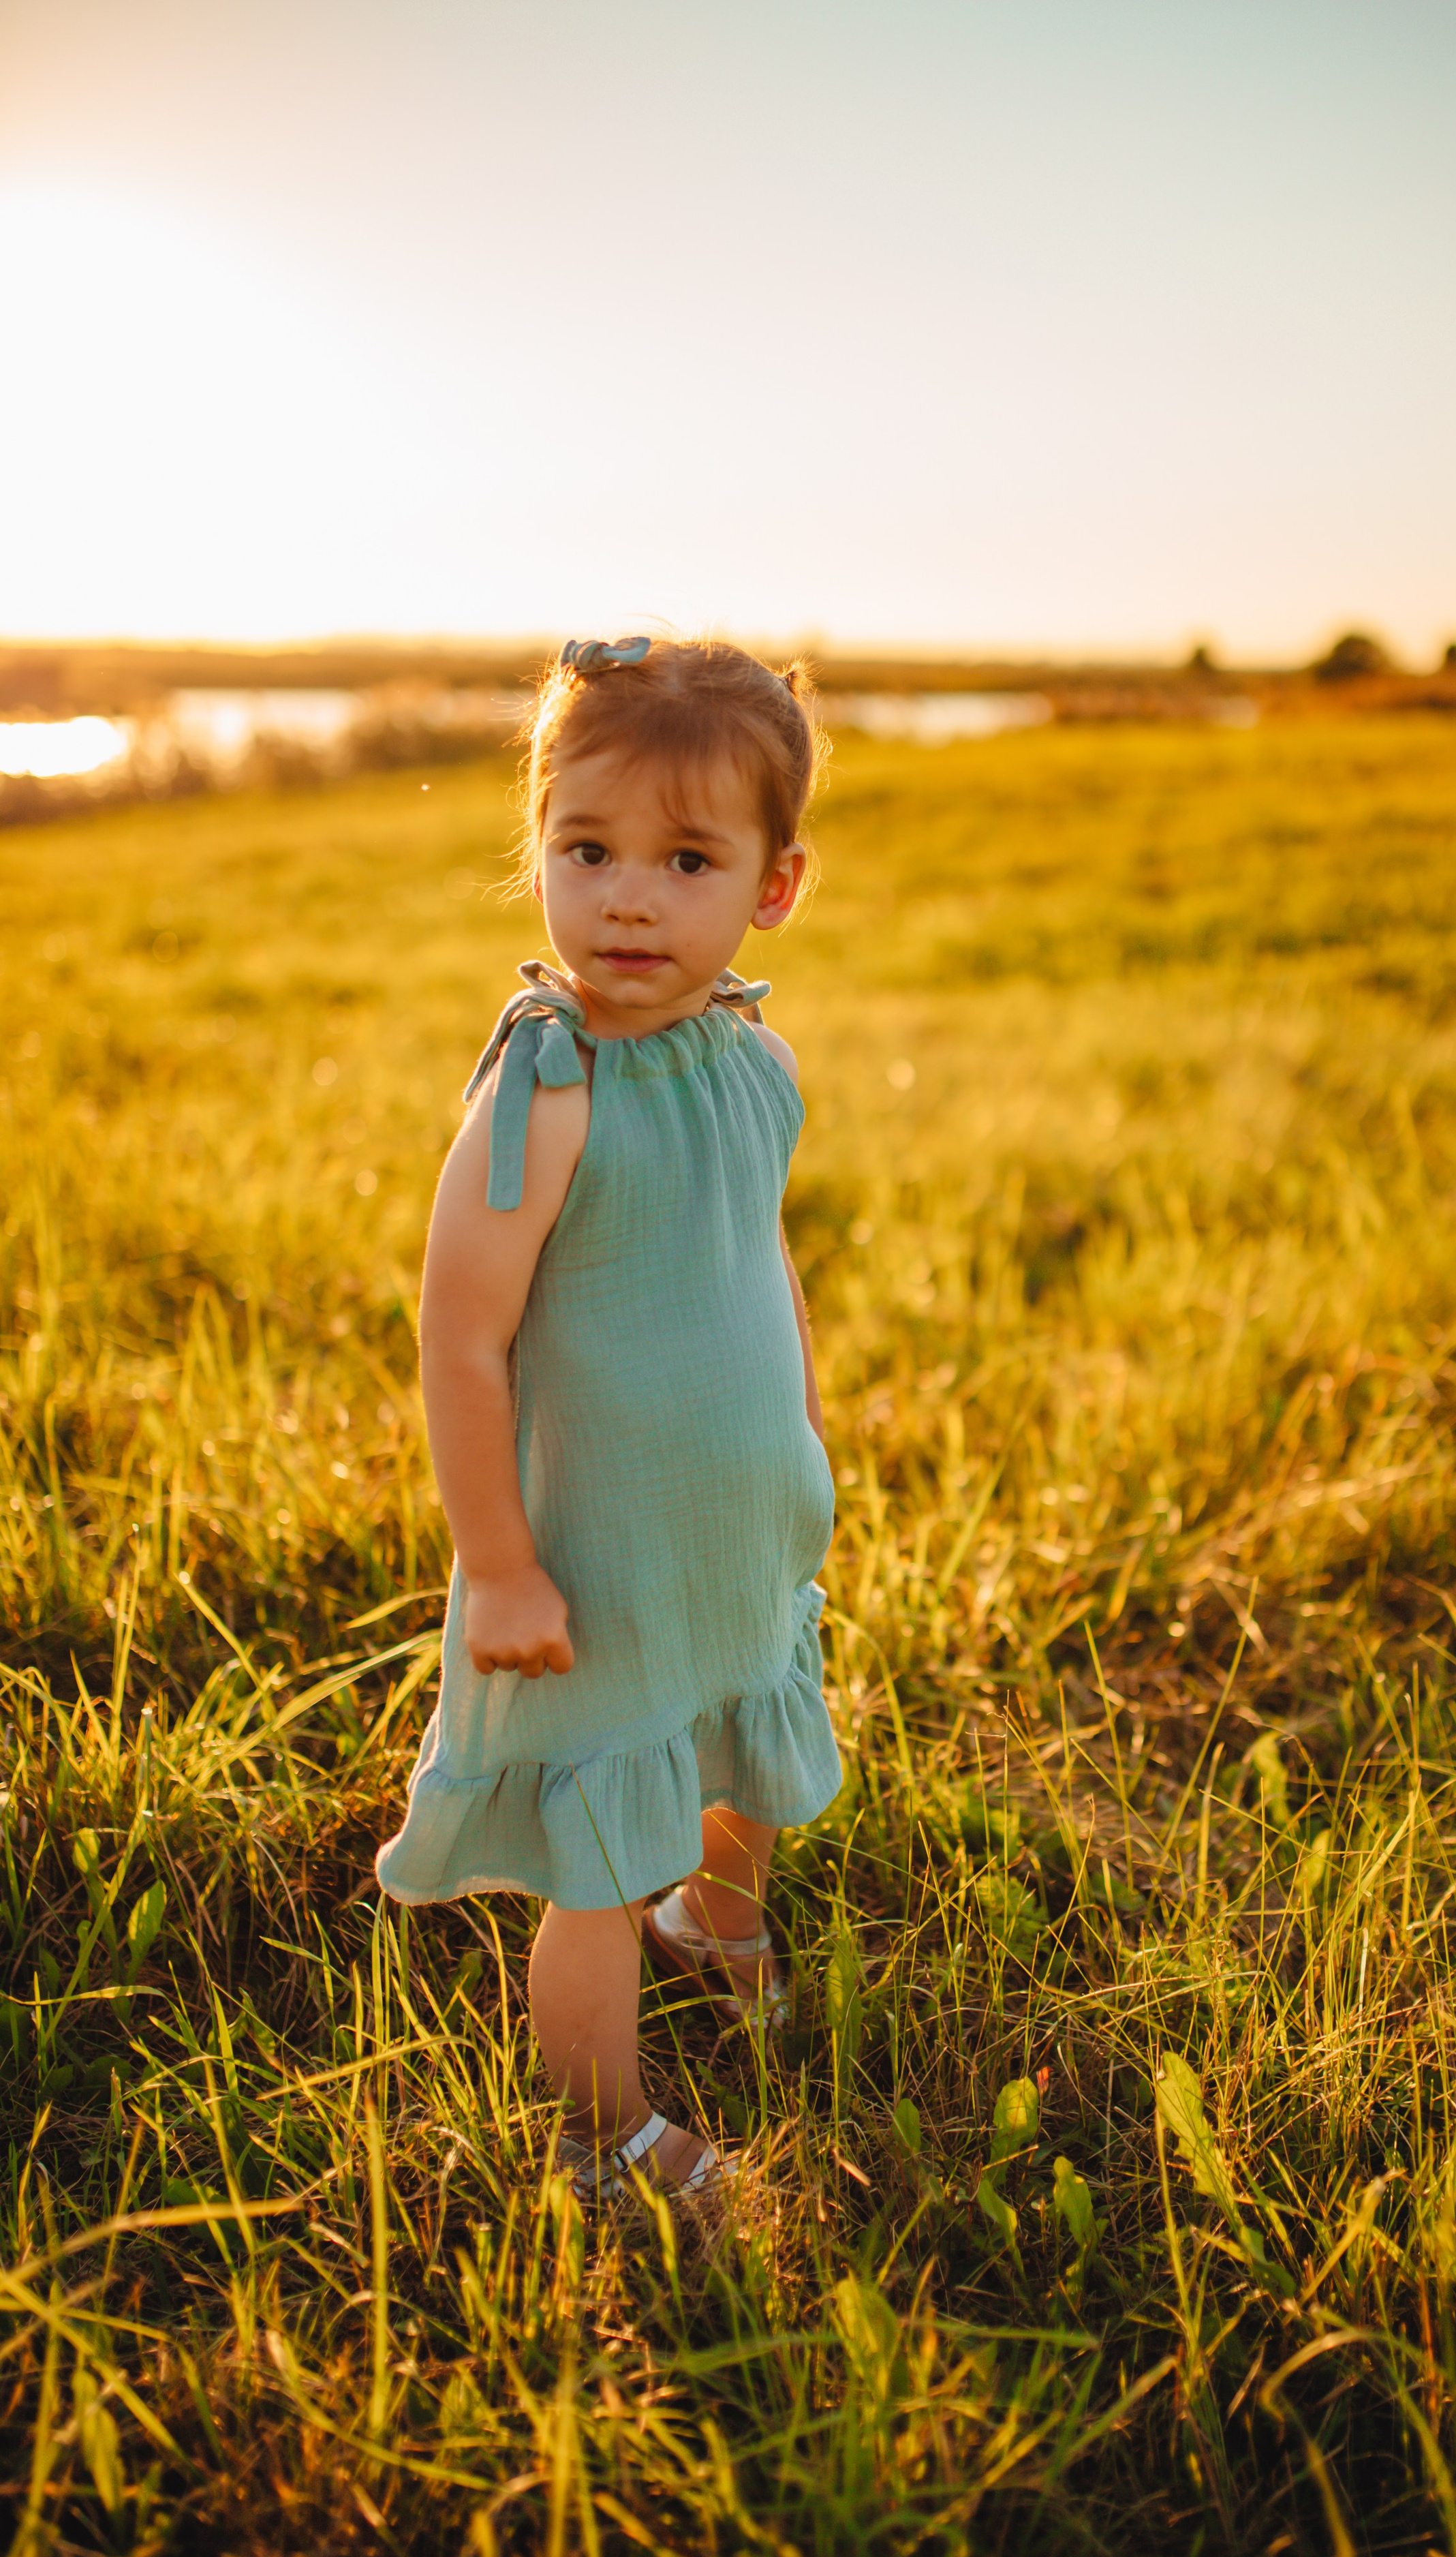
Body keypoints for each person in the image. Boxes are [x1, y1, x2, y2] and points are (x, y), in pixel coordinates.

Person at [375, 634, 839, 2203]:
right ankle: (602, 2132)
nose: (628, 898)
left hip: (736, 1518)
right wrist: (498, 1564)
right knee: (598, 1855)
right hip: (594, 1558)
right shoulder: (547, 1087)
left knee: (738, 1743)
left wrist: (805, 1438)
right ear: (539, 854)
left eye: (685, 859)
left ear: (772, 887)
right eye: (588, 850)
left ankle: (716, 1915)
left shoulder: (754, 1059)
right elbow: (461, 1336)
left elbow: (758, 1262)